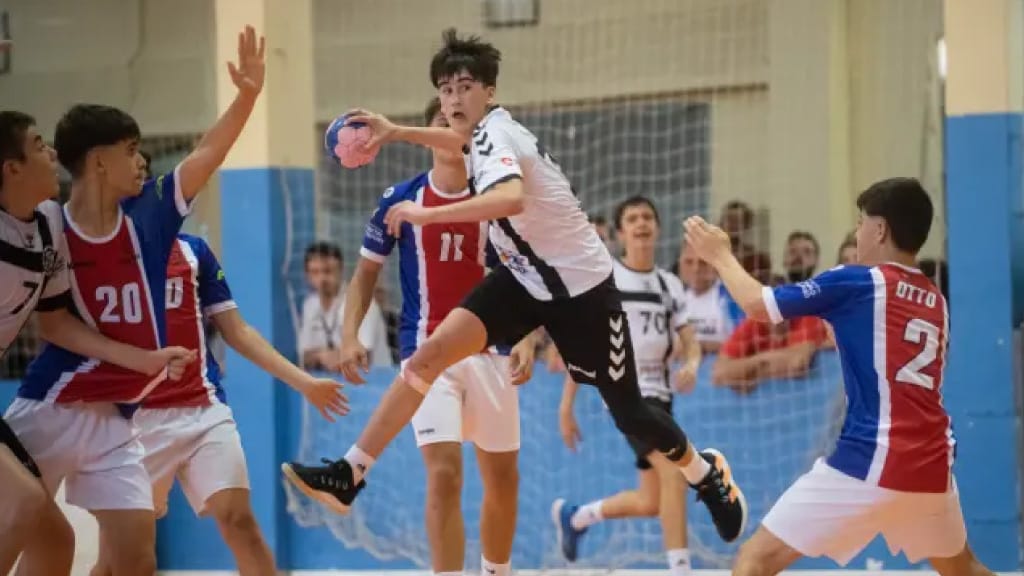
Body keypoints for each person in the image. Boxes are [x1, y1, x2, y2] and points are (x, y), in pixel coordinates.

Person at [283, 28, 747, 546]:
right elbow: (453, 139)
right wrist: (394, 132)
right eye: (446, 89)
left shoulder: (496, 137)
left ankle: (704, 475)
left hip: (583, 292)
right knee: (427, 355)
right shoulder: (476, 134)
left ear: (490, 92)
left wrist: (426, 215)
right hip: (523, 279)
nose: (454, 99)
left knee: (631, 413)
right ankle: (351, 472)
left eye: (465, 87)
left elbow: (508, 198)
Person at [7, 25, 265, 576]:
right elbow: (53, 326)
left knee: (134, 562)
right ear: (98, 162)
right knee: (29, 532)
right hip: (54, 405)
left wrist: (246, 98)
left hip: (118, 417)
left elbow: (207, 154)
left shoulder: (150, 214)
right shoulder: (46, 224)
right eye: (129, 151)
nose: (141, 161)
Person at [683, 177, 992, 576]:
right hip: (933, 465)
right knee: (965, 570)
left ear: (880, 229)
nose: (859, 232)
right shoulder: (936, 300)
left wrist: (721, 256)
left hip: (871, 458)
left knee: (754, 563)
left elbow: (758, 306)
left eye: (863, 222)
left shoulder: (859, 279)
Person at [325, 96, 532, 576]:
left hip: (491, 352)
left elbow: (525, 276)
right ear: (426, 134)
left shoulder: (496, 199)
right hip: (425, 358)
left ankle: (496, 571)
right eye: (442, 121)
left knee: (503, 481)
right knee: (443, 474)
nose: (451, 129)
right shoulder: (400, 199)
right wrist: (349, 334)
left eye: (459, 123)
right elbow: (363, 275)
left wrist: (526, 337)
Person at [0, 110, 193, 575]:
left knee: (55, 542)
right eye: (39, 145)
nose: (52, 155)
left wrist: (143, 359)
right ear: (12, 168)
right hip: (45, 405)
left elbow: (59, 324)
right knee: (24, 502)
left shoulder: (49, 227)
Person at [90, 234, 346, 576]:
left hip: (204, 410)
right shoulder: (99, 249)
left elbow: (237, 331)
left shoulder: (193, 250)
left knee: (239, 520)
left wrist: (305, 383)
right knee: (119, 560)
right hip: (135, 420)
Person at [553, 196, 701, 576]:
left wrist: (693, 362)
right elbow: (587, 346)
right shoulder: (608, 280)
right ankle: (680, 568)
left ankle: (577, 517)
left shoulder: (670, 285)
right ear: (620, 233)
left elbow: (689, 337)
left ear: (657, 227)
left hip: (661, 395)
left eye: (648, 217)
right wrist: (566, 406)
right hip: (626, 396)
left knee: (653, 500)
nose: (641, 223)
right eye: (632, 218)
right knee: (675, 471)